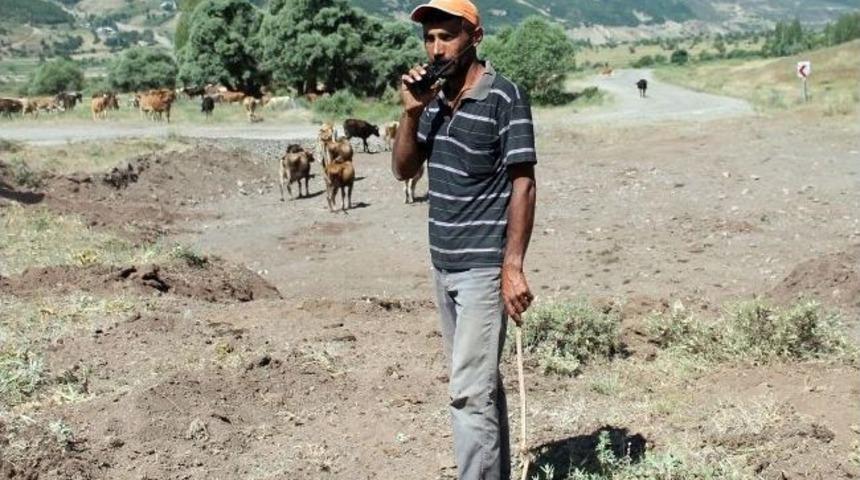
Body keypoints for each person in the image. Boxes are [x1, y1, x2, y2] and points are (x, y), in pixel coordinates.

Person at [390, 1, 537, 478]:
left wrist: (511, 266)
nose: (436, 48)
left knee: (469, 392)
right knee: (480, 387)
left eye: (446, 37)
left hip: (482, 271)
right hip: (443, 266)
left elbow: (523, 183)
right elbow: (404, 170)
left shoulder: (504, 97)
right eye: (429, 38)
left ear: (475, 37)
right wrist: (410, 115)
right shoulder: (429, 101)